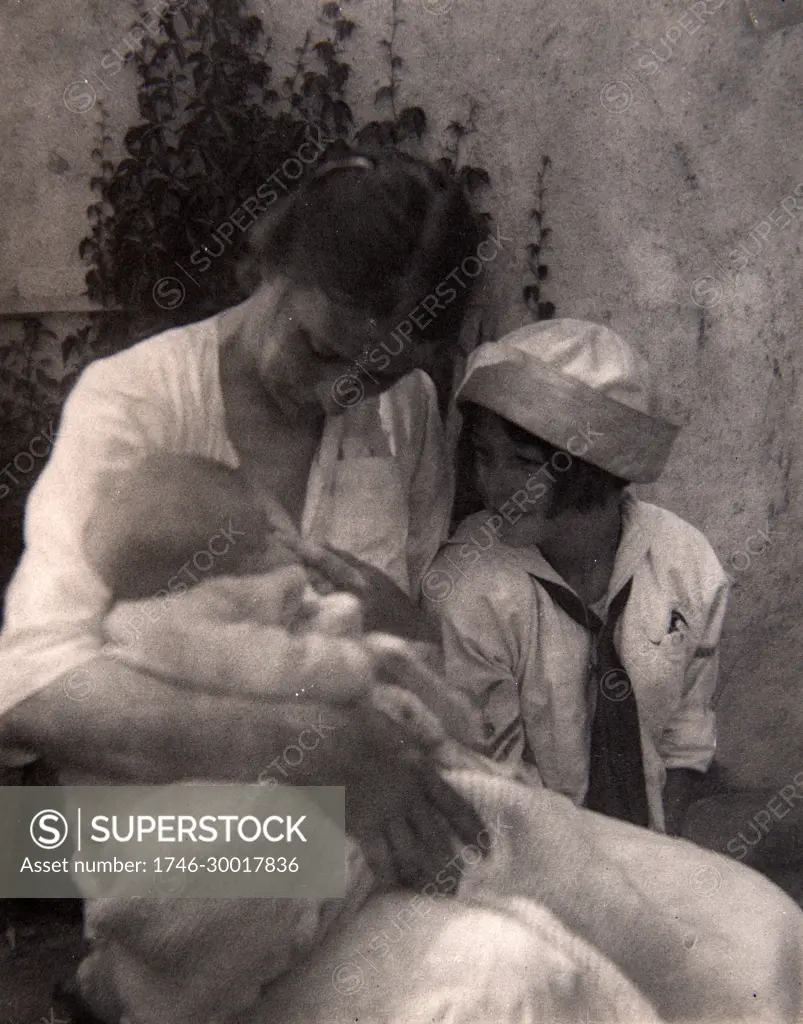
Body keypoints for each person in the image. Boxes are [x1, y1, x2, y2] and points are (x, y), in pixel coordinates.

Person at [428, 319, 730, 834]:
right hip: (531, 848)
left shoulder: (686, 561)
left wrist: (667, 852)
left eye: (523, 463)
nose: (492, 483)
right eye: (483, 454)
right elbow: (497, 784)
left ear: (590, 469)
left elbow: (685, 737)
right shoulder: (470, 589)